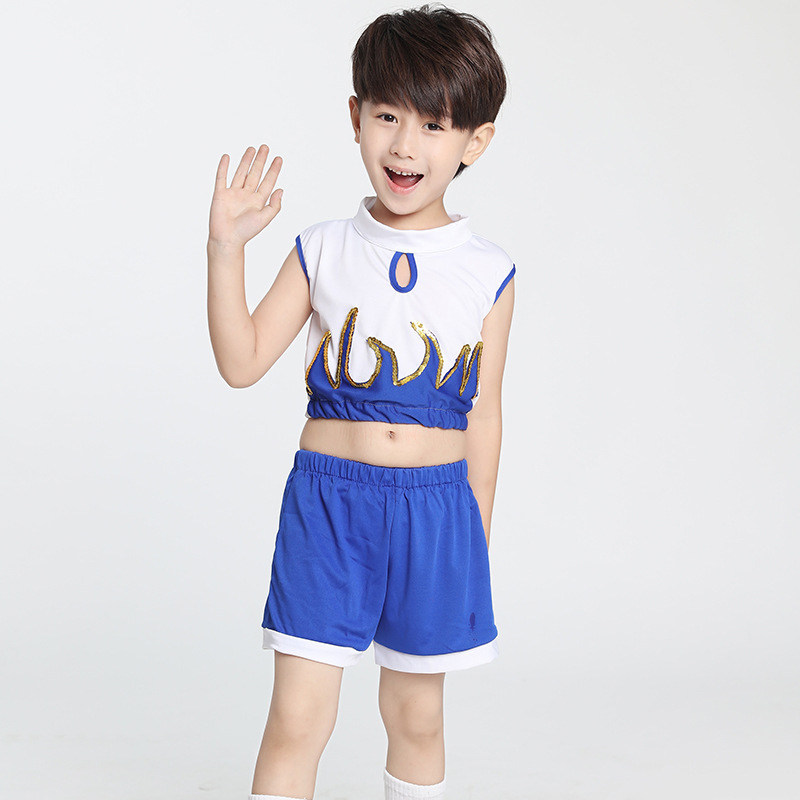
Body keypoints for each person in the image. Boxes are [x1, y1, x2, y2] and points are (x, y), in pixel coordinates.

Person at [206, 5, 515, 799]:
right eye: (387, 116)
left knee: (417, 718)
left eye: (434, 125)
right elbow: (241, 361)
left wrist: (475, 536)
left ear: (474, 140)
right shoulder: (323, 249)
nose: (405, 144)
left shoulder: (488, 271)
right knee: (297, 719)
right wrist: (226, 249)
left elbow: (484, 415)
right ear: (356, 117)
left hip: (437, 512)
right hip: (330, 507)